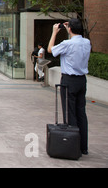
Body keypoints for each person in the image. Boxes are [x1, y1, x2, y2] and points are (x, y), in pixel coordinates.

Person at [48, 19, 91, 155]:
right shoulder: (86, 42)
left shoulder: (67, 43)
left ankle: (74, 145)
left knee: (70, 112)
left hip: (69, 80)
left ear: (70, 28)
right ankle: (83, 146)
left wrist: (54, 32)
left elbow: (50, 50)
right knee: (81, 113)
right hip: (82, 80)